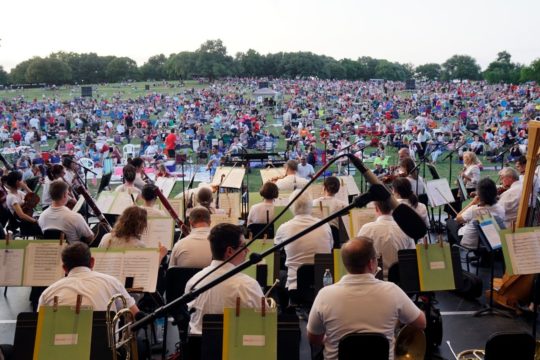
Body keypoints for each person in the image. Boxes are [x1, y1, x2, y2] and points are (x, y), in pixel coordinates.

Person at [307, 236, 426, 360]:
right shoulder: (392, 291)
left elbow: (313, 338)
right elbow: (421, 323)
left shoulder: (325, 294)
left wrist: (328, 339)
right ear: (371, 263)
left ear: (345, 264)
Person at [185, 223, 264, 334]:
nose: (248, 250)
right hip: (235, 347)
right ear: (230, 251)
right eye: (244, 246)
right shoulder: (247, 285)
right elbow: (263, 321)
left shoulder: (193, 281)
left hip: (199, 348)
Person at [39, 242, 139, 314]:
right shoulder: (112, 282)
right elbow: (134, 313)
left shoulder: (47, 293)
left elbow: (40, 327)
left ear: (64, 268)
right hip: (103, 342)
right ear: (92, 262)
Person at [274, 190, 333, 291]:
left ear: (291, 207)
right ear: (311, 205)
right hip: (323, 285)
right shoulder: (325, 225)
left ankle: (284, 306)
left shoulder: (284, 228)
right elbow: (330, 247)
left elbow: (276, 250)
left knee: (277, 274)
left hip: (295, 288)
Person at [357, 199, 415, 279]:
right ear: (393, 208)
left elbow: (358, 257)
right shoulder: (404, 228)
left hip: (374, 279)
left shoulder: (366, 229)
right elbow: (412, 257)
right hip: (401, 280)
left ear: (376, 208)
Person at [456, 178, 505, 249]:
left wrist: (473, 202)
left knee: (450, 224)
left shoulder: (474, 209)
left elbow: (458, 219)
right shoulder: (501, 208)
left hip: (472, 245)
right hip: (492, 243)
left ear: (479, 194)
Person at [2, 171, 42, 235]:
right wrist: (35, 221)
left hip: (28, 218)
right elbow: (21, 215)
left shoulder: (19, 192)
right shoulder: (12, 197)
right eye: (21, 180)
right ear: (17, 182)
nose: (23, 181)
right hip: (24, 222)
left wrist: (25, 187)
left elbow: (35, 199)